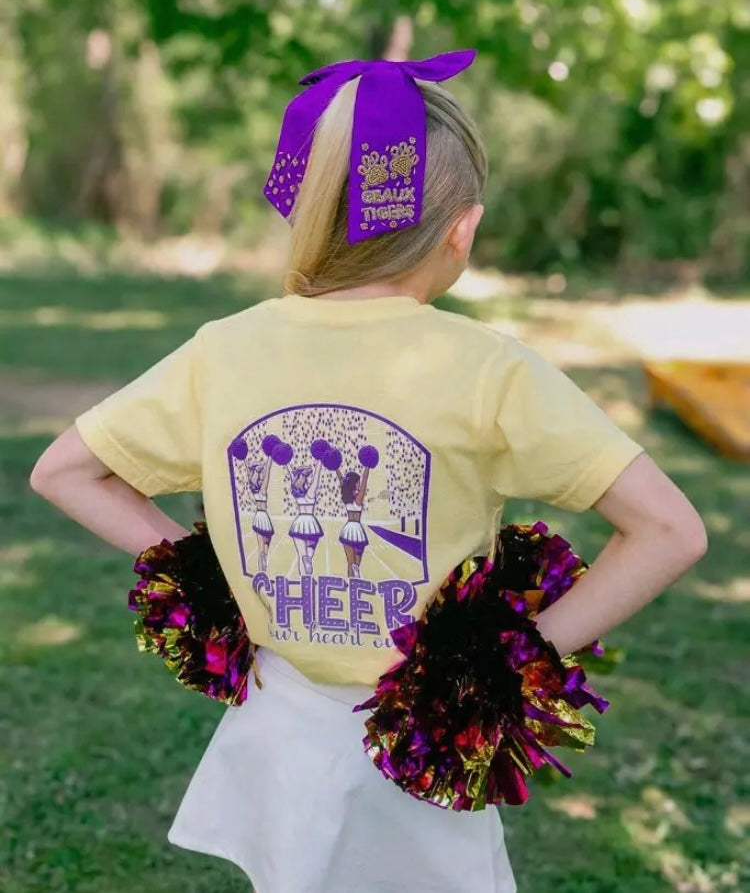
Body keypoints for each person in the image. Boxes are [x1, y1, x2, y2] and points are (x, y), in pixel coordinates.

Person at [29, 50, 707, 893]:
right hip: (411, 747)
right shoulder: (489, 367)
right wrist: (507, 661)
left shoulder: (224, 351)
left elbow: (64, 471)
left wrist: (206, 578)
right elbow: (673, 528)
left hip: (282, 724)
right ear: (463, 228)